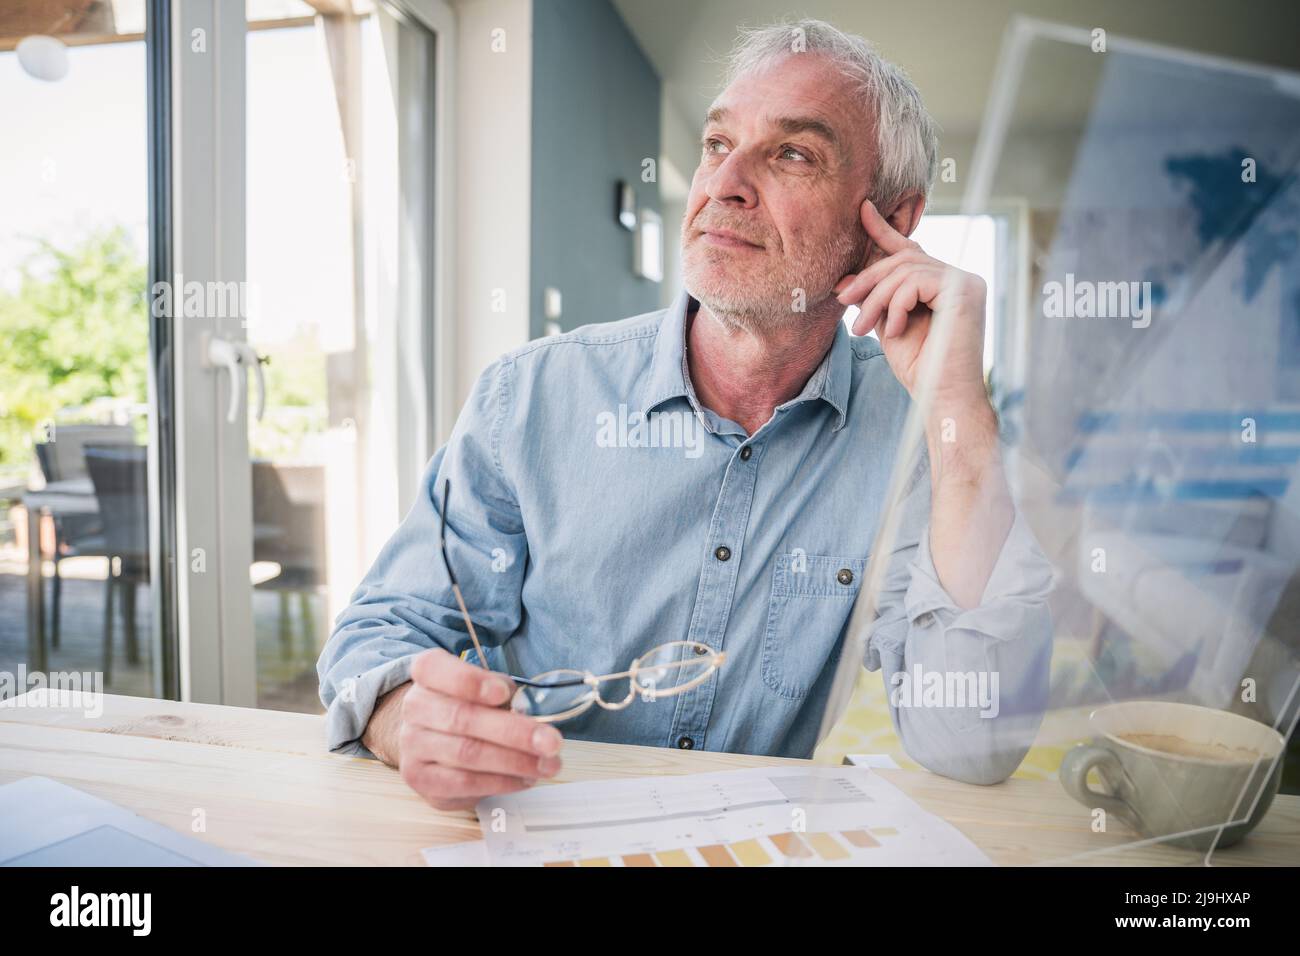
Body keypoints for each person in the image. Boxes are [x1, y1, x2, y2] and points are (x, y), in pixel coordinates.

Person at [318, 17, 1053, 811]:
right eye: (716, 144)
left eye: (792, 154)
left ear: (892, 225)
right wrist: (406, 719)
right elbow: (379, 632)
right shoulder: (528, 399)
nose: (723, 184)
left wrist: (959, 417)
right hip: (534, 830)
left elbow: (971, 741)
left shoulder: (914, 434)